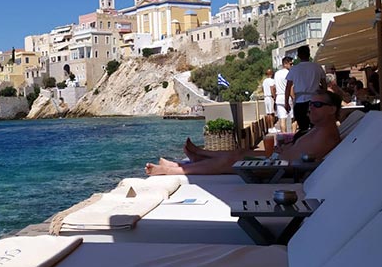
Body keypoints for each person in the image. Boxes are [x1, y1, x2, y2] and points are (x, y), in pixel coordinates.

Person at [146, 90, 341, 176]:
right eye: (310, 105)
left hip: (278, 170)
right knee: (239, 152)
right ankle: (196, 156)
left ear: (332, 109)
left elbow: (304, 163)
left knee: (231, 161)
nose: (310, 109)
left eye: (317, 105)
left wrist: (284, 155)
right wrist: (285, 148)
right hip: (276, 162)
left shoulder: (328, 136)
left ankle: (171, 170)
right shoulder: (319, 130)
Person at [285, 46, 326, 134]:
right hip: (315, 100)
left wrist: (286, 103)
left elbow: (288, 87)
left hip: (300, 101)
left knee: (303, 128)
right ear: (309, 54)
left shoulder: (294, 69)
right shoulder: (317, 67)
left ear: (299, 55)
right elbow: (324, 84)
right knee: (316, 127)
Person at [274, 56, 293, 133]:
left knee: (282, 119)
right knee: (293, 118)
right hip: (288, 97)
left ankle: (284, 136)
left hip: (279, 97)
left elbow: (274, 87)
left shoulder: (277, 74)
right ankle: (293, 135)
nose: (292, 66)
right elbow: (291, 88)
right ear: (285, 64)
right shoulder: (289, 73)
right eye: (291, 64)